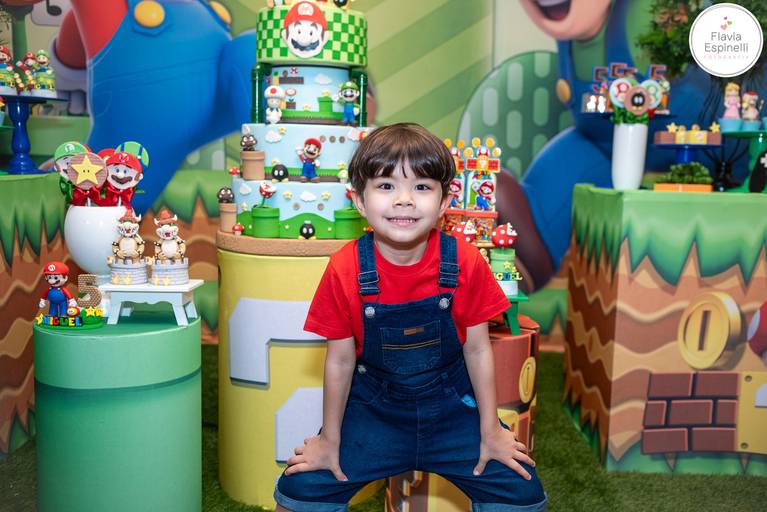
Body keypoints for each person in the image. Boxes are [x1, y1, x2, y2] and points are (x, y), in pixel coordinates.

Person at [274, 123, 547, 511]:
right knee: (300, 489)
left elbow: (477, 351)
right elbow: (340, 361)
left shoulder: (466, 261)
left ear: (444, 200)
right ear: (359, 200)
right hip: (374, 415)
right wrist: (329, 440)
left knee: (521, 492)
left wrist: (490, 431)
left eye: (421, 186)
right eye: (386, 186)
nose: (404, 200)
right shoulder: (344, 268)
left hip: (454, 412)